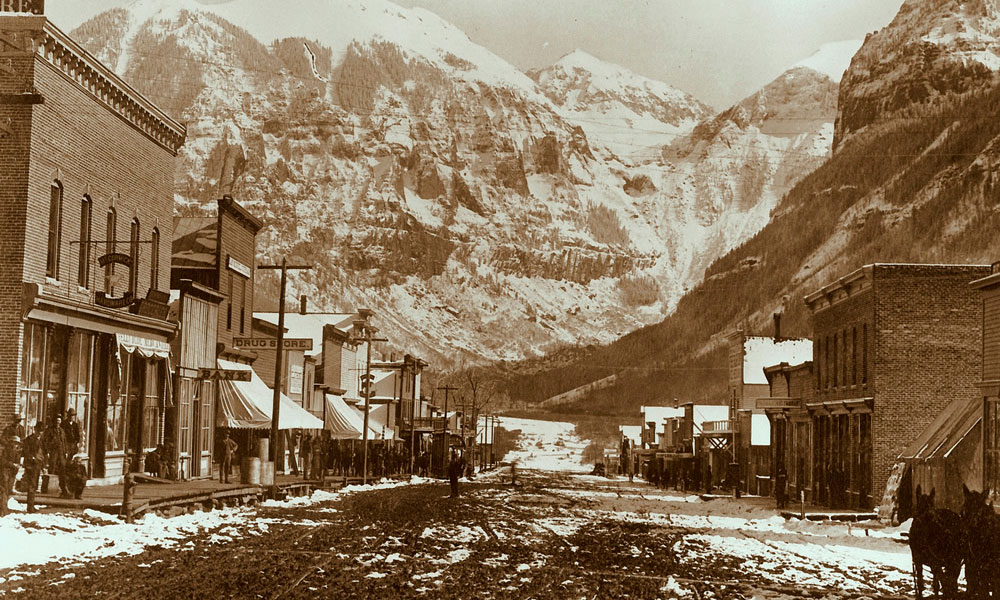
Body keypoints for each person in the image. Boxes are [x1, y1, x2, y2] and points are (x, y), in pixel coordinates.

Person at [42, 414, 69, 498]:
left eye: (59, 421)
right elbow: (45, 442)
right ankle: (49, 487)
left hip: (61, 452)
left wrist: (66, 451)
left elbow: (64, 442)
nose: (58, 423)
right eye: (57, 421)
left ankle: (61, 487)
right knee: (52, 467)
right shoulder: (49, 431)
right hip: (53, 452)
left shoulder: (61, 431)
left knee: (62, 468)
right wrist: (47, 451)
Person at [21, 430, 43, 513]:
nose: (39, 434)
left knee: (34, 485)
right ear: (35, 429)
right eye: (39, 431)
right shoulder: (29, 439)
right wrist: (31, 458)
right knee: (32, 486)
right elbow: (25, 451)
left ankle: (31, 505)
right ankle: (30, 507)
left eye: (41, 432)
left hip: (38, 465)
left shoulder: (41, 440)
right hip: (31, 465)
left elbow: (43, 452)